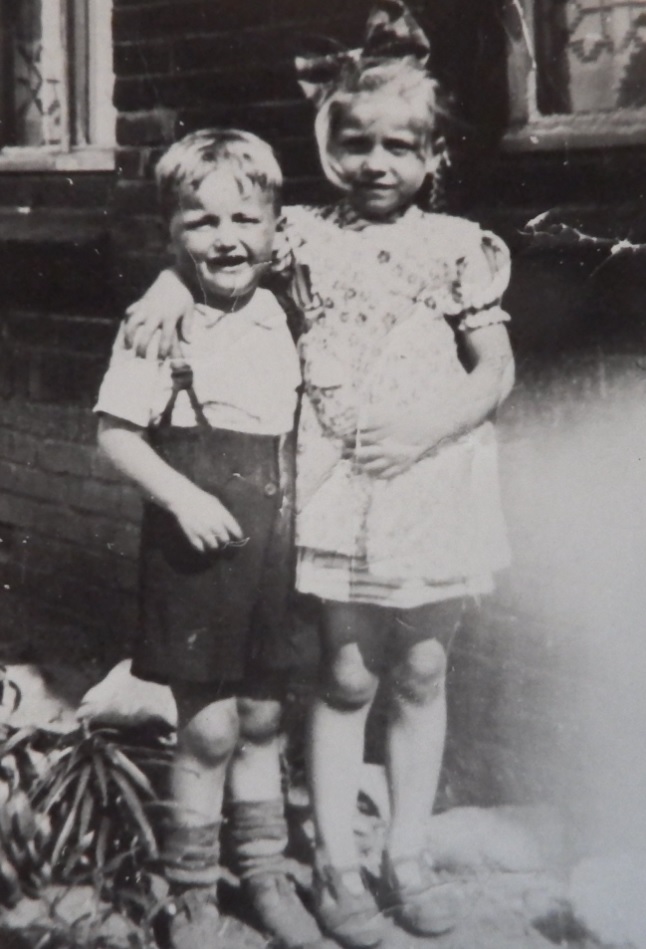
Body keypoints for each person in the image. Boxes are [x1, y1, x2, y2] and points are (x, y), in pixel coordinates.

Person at [123, 4, 515, 946]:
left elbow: (496, 371)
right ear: (327, 147)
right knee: (345, 672)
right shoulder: (299, 235)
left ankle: (406, 854)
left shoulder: (460, 246)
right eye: (355, 144)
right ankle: (336, 864)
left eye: (399, 147)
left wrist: (423, 429)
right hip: (338, 484)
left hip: (429, 477)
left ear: (433, 155)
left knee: (423, 666)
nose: (376, 163)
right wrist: (166, 284)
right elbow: (219, 250)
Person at [94, 129, 324, 949]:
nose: (227, 238)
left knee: (263, 716)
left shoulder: (286, 306)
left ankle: (264, 875)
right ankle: (191, 891)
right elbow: (115, 433)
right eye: (201, 222)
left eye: (244, 219)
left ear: (274, 226)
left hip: (278, 542)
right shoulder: (159, 326)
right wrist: (183, 497)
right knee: (209, 726)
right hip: (195, 547)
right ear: (171, 233)